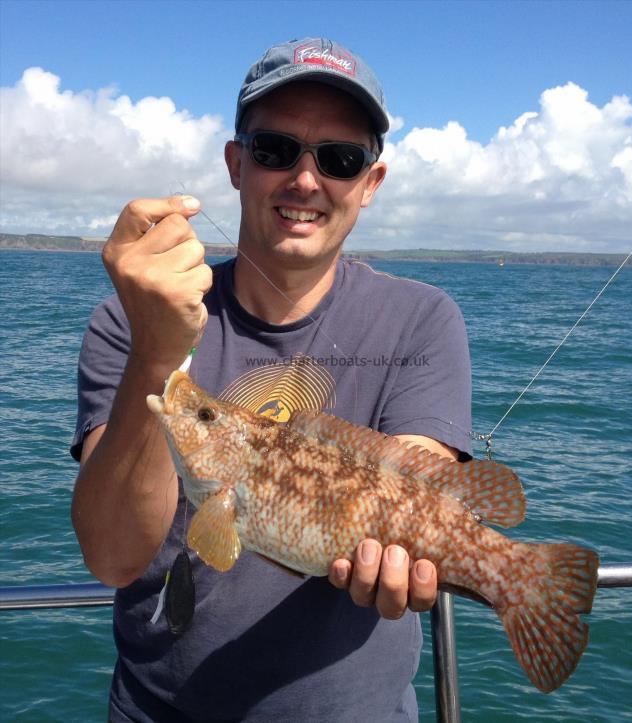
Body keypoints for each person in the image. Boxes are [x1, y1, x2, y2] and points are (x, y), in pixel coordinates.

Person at [71, 38, 472, 722]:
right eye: (276, 149)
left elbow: (421, 479)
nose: (306, 181)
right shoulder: (128, 319)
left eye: (340, 159)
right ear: (236, 164)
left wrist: (407, 555)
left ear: (370, 183)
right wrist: (157, 354)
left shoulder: (422, 319)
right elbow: (112, 556)